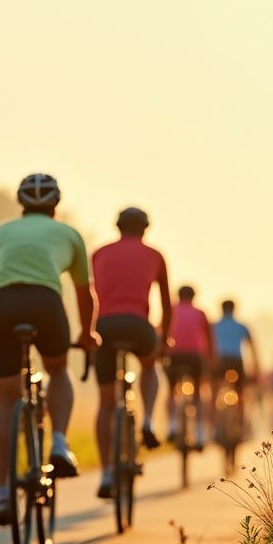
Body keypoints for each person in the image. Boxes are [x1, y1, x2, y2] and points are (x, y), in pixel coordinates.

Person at [0, 173, 98, 525]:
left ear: (22, 205)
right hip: (45, 303)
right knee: (58, 369)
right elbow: (84, 293)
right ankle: (59, 443)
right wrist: (87, 333)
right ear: (55, 206)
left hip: (1, 306)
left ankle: (2, 497)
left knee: (5, 401)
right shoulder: (70, 234)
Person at [90, 207, 172, 498]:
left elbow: (89, 295)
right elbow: (166, 302)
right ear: (145, 229)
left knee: (105, 403)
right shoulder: (155, 255)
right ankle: (148, 419)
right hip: (139, 326)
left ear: (118, 227)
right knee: (150, 365)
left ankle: (106, 474)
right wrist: (166, 339)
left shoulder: (98, 253)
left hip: (104, 327)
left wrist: (89, 333)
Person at [165, 286, 215, 450]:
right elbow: (209, 339)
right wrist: (210, 359)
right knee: (198, 392)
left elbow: (162, 330)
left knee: (171, 389)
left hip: (175, 354)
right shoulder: (200, 313)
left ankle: (172, 424)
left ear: (178, 296)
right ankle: (200, 433)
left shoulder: (171, 309)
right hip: (194, 356)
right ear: (194, 297)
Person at [212, 300, 262, 438]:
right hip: (236, 361)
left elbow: (207, 344)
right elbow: (252, 347)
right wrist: (256, 366)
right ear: (234, 310)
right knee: (240, 392)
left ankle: (213, 421)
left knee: (215, 390)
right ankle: (241, 422)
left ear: (221, 310)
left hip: (220, 361)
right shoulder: (242, 326)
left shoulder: (214, 326)